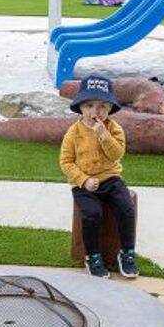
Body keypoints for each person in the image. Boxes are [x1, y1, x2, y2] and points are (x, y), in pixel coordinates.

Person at [60, 76, 140, 279]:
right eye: (90, 106)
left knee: (126, 208)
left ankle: (127, 253)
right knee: (92, 214)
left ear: (110, 109)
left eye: (103, 106)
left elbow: (116, 154)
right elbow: (66, 162)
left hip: (111, 179)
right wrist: (84, 180)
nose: (96, 111)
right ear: (81, 108)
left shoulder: (113, 129)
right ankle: (93, 256)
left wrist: (104, 136)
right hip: (84, 185)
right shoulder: (73, 132)